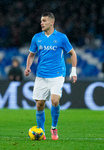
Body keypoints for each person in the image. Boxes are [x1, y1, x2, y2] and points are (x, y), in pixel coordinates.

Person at [25, 12, 77, 140]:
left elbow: (73, 54)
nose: (41, 23)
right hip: (41, 75)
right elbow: (31, 55)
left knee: (55, 100)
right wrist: (28, 67)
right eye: (41, 21)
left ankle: (53, 128)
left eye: (44, 20)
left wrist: (73, 71)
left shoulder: (61, 37)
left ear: (52, 22)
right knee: (40, 104)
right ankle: (41, 131)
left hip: (57, 74)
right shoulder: (37, 37)